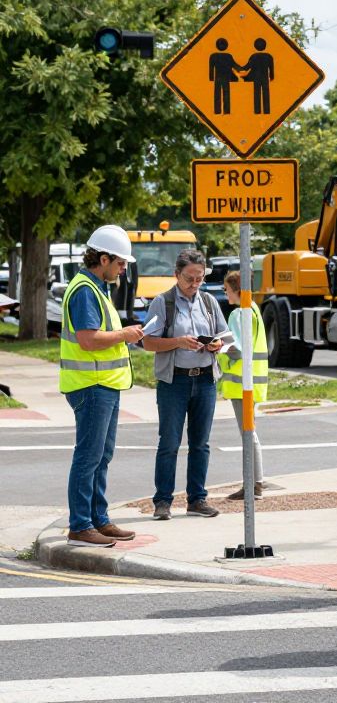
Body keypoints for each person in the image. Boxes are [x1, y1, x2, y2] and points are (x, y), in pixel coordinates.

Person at [60, 226, 145, 547]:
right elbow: (88, 339)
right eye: (120, 263)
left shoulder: (96, 288)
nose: (123, 269)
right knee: (89, 457)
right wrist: (126, 334)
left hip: (102, 385)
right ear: (104, 259)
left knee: (101, 456)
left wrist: (124, 333)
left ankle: (98, 519)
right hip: (91, 385)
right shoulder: (85, 291)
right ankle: (81, 526)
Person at [142, 249, 228, 521]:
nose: (194, 284)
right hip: (174, 381)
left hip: (205, 379)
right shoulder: (163, 302)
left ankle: (197, 499)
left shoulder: (209, 302)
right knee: (169, 442)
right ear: (176, 275)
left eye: (199, 278)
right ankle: (162, 501)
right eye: (189, 278)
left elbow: (225, 336)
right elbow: (147, 342)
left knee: (200, 443)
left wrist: (217, 344)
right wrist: (178, 342)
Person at [218, 270, 268, 500]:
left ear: (237, 289)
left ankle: (254, 484)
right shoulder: (254, 309)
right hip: (254, 381)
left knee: (248, 433)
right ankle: (255, 483)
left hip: (241, 384)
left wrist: (218, 349)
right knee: (250, 431)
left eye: (226, 289)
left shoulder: (238, 314)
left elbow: (236, 349)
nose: (225, 293)